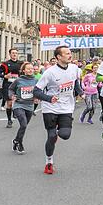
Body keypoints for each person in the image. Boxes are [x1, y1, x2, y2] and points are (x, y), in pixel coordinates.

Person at [33, 45, 82, 175]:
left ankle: (57, 133)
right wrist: (49, 98)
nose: (70, 55)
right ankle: (49, 162)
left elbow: (74, 82)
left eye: (70, 53)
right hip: (50, 108)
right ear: (58, 57)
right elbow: (36, 91)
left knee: (65, 135)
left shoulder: (74, 68)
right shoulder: (50, 72)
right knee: (51, 136)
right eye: (66, 53)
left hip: (66, 107)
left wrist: (80, 92)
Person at [8, 62, 37, 154]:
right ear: (23, 70)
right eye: (28, 69)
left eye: (32, 68)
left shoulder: (36, 80)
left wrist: (37, 97)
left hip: (29, 105)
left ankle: (16, 140)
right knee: (23, 124)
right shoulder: (18, 80)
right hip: (19, 104)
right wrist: (12, 96)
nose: (30, 70)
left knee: (23, 126)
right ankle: (20, 143)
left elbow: (40, 91)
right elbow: (11, 89)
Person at [0, 48, 24, 128]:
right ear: (10, 54)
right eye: (13, 53)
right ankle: (9, 120)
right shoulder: (5, 64)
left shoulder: (21, 63)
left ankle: (14, 111)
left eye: (16, 53)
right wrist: (4, 76)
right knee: (9, 103)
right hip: (8, 85)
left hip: (18, 85)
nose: (14, 54)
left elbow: (25, 72)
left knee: (16, 101)